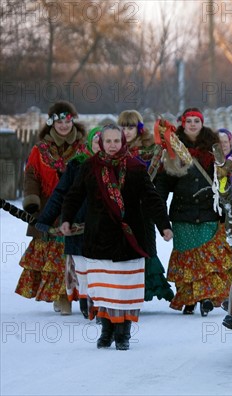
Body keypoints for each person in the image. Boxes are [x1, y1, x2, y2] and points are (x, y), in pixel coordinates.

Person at [60, 124, 172, 350]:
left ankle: (123, 333)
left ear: (123, 142)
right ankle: (106, 329)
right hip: (99, 238)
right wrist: (66, 219)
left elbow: (152, 199)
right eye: (108, 141)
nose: (112, 146)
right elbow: (74, 194)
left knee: (124, 288)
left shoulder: (135, 167)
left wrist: (164, 226)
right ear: (101, 142)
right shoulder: (90, 167)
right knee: (103, 289)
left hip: (128, 239)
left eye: (116, 141)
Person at [154, 108, 232, 315]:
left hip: (209, 211)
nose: (192, 124)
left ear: (202, 123)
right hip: (183, 214)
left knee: (208, 258)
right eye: (188, 121)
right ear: (182, 124)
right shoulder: (171, 150)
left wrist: (227, 212)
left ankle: (206, 298)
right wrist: (161, 221)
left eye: (196, 121)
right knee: (187, 258)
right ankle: (189, 298)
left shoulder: (212, 148)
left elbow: (222, 181)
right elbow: (162, 186)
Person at [15, 100, 87, 315]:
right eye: (59, 122)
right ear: (51, 123)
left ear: (73, 121)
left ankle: (78, 294)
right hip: (50, 208)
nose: (64, 126)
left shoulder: (83, 147)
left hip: (76, 208)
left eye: (67, 121)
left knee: (76, 255)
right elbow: (32, 175)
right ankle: (61, 295)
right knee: (55, 255)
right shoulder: (40, 149)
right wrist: (32, 199)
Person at [35, 127, 102, 318]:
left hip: (104, 227)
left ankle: (98, 302)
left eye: (104, 141)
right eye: (96, 141)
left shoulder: (116, 166)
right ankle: (83, 299)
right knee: (81, 266)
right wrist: (46, 218)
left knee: (99, 266)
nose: (100, 145)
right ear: (90, 142)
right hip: (77, 225)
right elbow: (60, 194)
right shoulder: (76, 166)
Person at [118, 110, 174, 302]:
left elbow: (159, 180)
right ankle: (126, 290)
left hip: (144, 208)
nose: (126, 132)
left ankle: (147, 288)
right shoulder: (114, 149)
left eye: (131, 127)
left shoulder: (151, 151)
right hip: (121, 208)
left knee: (146, 247)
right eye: (123, 127)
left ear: (139, 129)